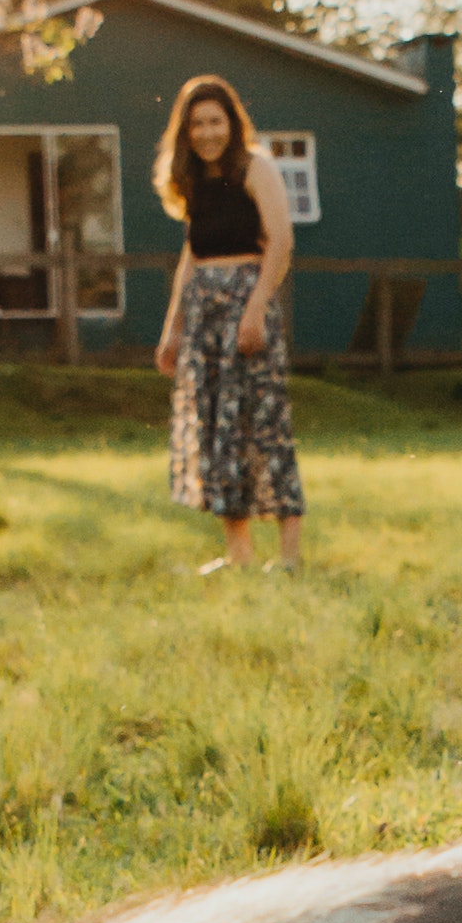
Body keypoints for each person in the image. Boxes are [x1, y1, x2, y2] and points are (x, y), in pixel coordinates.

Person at [151, 72, 306, 570]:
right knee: (217, 429)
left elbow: (280, 241)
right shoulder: (193, 180)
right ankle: (238, 556)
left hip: (247, 305)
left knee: (263, 424)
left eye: (216, 121)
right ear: (186, 130)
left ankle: (288, 558)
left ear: (232, 122)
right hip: (203, 312)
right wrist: (172, 327)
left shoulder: (255, 167)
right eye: (197, 124)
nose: (207, 132)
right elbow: (191, 256)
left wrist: (256, 308)